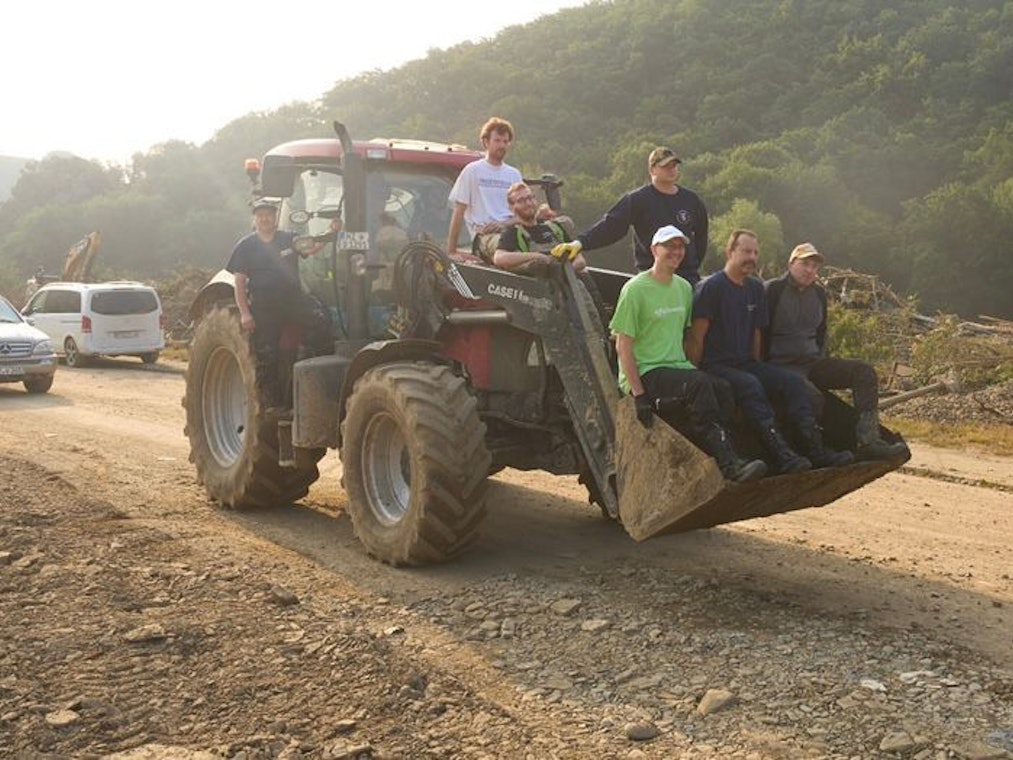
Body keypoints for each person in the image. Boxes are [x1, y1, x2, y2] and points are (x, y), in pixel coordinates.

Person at [687, 229, 854, 473]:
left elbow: (757, 332)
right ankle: (782, 455)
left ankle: (815, 450)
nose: (751, 257)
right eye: (746, 251)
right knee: (750, 384)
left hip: (746, 362)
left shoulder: (755, 288)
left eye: (755, 252)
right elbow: (696, 335)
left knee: (793, 383)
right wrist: (696, 371)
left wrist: (760, 366)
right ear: (730, 251)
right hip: (717, 364)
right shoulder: (711, 288)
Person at [609, 225, 766, 483]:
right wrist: (638, 394)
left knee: (724, 387)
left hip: (677, 367)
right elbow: (622, 345)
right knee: (700, 384)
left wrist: (693, 367)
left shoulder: (682, 288)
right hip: (647, 370)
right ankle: (729, 467)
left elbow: (686, 336)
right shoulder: (635, 289)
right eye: (669, 246)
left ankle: (710, 458)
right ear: (653, 250)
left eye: (680, 247)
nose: (676, 251)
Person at [764, 242, 909, 461]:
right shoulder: (772, 290)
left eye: (814, 266)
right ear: (791, 263)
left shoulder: (819, 295)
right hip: (781, 366)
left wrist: (821, 360)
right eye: (805, 264)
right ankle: (813, 450)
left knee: (864, 372)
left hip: (812, 363)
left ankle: (868, 441)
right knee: (813, 397)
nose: (810, 270)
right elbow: (758, 331)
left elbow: (821, 333)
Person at [226, 199, 335, 411]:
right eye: (260, 215)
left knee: (322, 320)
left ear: (275, 217)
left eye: (268, 214)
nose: (265, 218)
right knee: (267, 355)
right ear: (255, 219)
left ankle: (315, 367)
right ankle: (272, 405)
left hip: (292, 300)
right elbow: (239, 283)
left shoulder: (289, 239)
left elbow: (313, 247)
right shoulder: (246, 246)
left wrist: (332, 229)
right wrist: (245, 314)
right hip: (264, 306)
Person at [550, 146, 709, 284]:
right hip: (652, 278)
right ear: (652, 169)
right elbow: (611, 226)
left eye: (674, 165)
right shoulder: (638, 199)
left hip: (686, 278)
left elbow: (701, 237)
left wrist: (692, 264)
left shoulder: (691, 200)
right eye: (665, 166)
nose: (671, 169)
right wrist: (580, 243)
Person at [446, 117, 522, 261]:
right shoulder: (472, 171)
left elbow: (521, 216)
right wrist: (451, 251)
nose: (502, 145)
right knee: (509, 246)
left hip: (512, 231)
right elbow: (459, 211)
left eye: (505, 142)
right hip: (485, 237)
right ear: (486, 142)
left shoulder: (514, 174)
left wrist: (502, 224)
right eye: (497, 140)